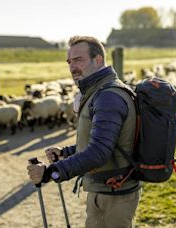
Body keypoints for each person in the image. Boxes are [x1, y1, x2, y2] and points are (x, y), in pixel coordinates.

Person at [27, 36, 140, 228]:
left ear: (98, 60)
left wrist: (51, 172)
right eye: (69, 62)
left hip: (113, 194)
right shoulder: (98, 92)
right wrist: (65, 153)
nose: (72, 67)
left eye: (78, 60)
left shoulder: (108, 97)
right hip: (104, 189)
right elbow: (104, 141)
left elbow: (99, 152)